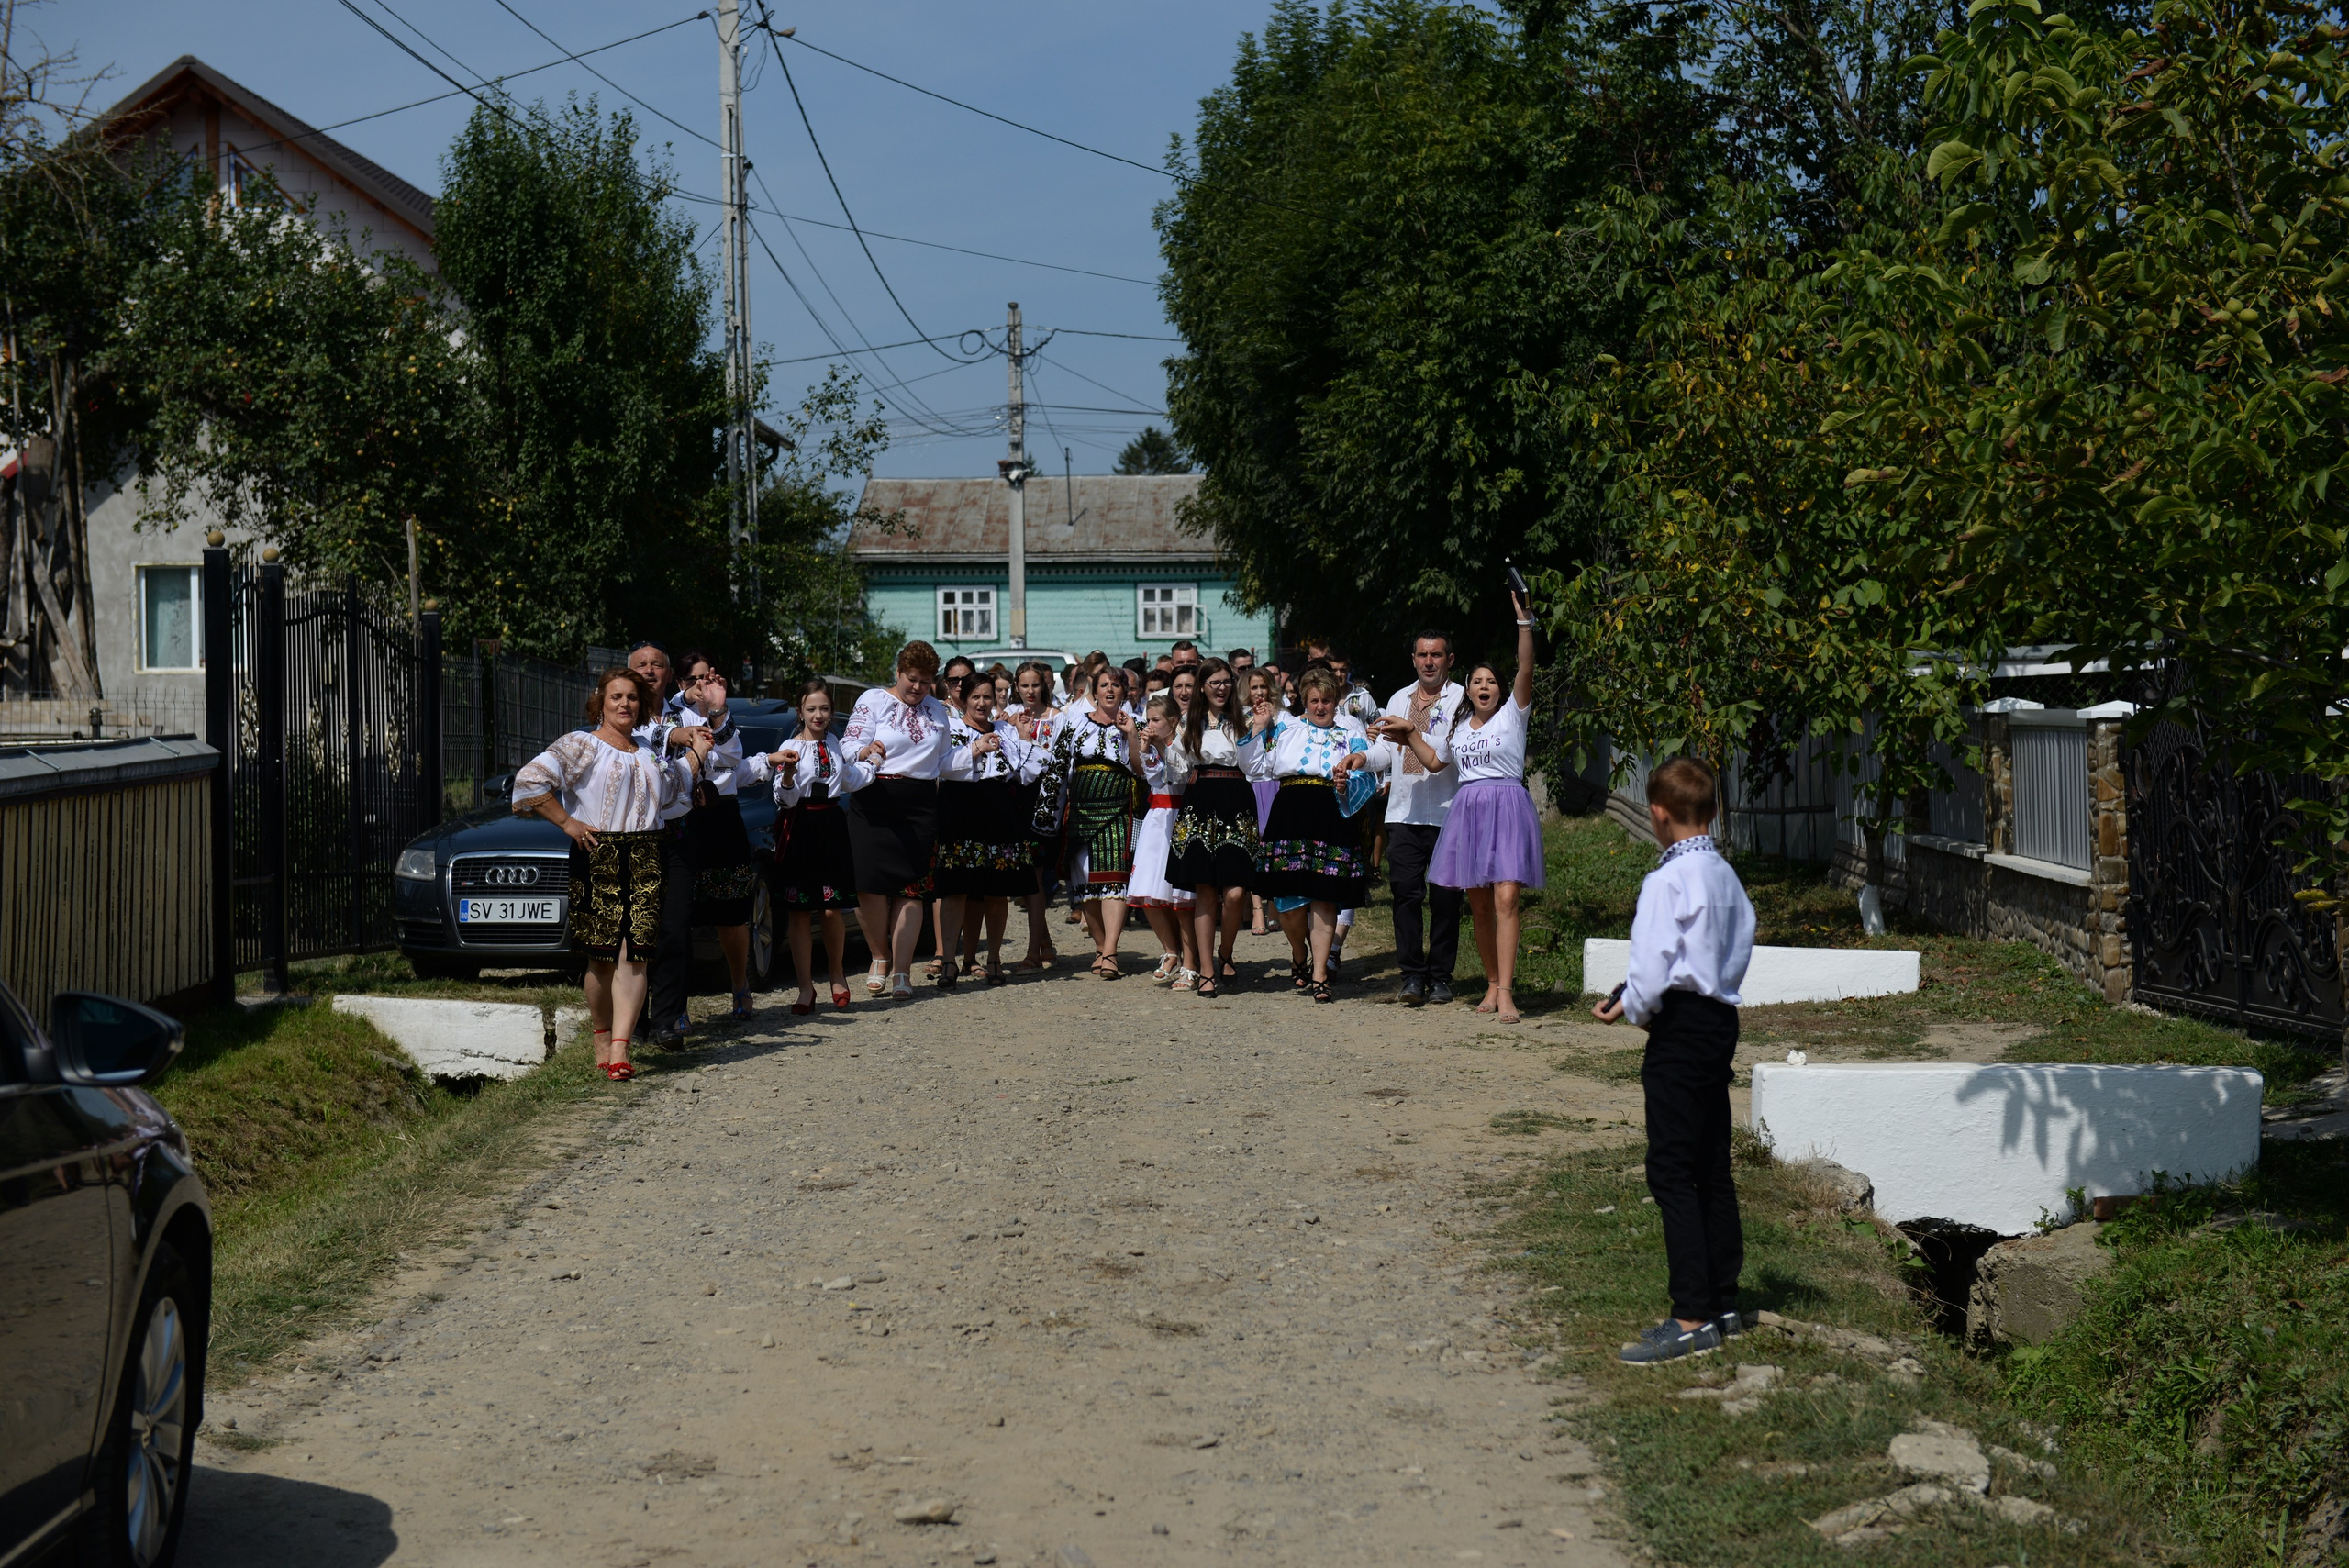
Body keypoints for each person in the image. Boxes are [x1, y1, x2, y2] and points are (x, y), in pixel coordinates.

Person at [1593, 756, 1756, 1364]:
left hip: (1680, 1026)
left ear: (1658, 814)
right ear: (1710, 811)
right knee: (1711, 1159)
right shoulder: (1724, 874)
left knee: (1671, 1168)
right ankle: (1722, 1298)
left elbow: (1655, 962)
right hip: (1719, 1018)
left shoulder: (1666, 881)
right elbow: (1735, 944)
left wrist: (1632, 1005)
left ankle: (1689, 1314)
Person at [513, 669, 708, 1080]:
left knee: (636, 953)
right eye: (617, 696)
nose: (625, 704)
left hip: (646, 855)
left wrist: (698, 754)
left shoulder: (648, 751)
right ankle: (602, 1034)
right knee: (601, 959)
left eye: (632, 698)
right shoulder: (580, 744)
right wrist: (567, 822)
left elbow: (674, 788)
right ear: (600, 700)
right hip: (597, 852)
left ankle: (620, 1049)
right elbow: (530, 781)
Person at [1427, 591, 1545, 1022]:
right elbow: (1436, 762)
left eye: (1491, 681)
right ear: (1468, 689)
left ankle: (1509, 991)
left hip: (1508, 808)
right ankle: (1492, 983)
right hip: (1469, 814)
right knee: (1477, 905)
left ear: (1500, 688)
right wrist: (1408, 735)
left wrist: (1523, 623)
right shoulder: (1457, 727)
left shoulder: (1513, 714)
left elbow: (1526, 666)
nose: (1484, 686)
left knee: (1506, 898)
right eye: (1477, 681)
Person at [1252, 665, 1375, 1002]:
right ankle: (1298, 952)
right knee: (1289, 903)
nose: (1321, 707)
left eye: (1327, 700)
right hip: (1291, 811)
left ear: (1336, 701)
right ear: (1304, 701)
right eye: (1314, 700)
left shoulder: (1350, 732)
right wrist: (1259, 729)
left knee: (1325, 895)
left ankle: (1320, 972)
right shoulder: (1287, 727)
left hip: (1332, 813)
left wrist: (1345, 783)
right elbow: (1254, 768)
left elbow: (1369, 773)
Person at [841, 641, 955, 1000]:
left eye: (925, 681)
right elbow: (846, 744)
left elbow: (946, 761)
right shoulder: (872, 700)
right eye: (911, 679)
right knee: (869, 886)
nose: (917, 687)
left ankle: (903, 971)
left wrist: (976, 753)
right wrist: (863, 751)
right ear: (898, 672)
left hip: (920, 805)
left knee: (912, 889)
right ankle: (879, 958)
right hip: (874, 799)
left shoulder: (938, 711)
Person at [763, 680, 873, 1015]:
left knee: (831, 907)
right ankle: (805, 988)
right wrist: (787, 776)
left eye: (824, 708)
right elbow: (783, 798)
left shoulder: (836, 743)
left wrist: (872, 762)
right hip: (800, 826)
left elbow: (849, 779)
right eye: (811, 709)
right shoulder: (789, 745)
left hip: (831, 826)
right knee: (799, 912)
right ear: (800, 711)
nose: (819, 715)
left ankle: (837, 974)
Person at [1369, 631, 1465, 1006]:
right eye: (1423, 655)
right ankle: (1411, 976)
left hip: (1446, 812)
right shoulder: (1398, 698)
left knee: (1445, 898)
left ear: (1449, 659)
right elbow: (1384, 753)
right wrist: (1363, 758)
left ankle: (1440, 977)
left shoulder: (1461, 698)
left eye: (1436, 655)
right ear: (1413, 659)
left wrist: (1411, 731)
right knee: (1405, 895)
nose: (1429, 661)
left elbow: (1447, 751)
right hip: (1403, 813)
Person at [1031, 664, 1146, 978]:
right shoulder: (1073, 722)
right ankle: (1100, 946)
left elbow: (1141, 769)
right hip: (1082, 809)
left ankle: (1110, 951)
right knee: (1084, 879)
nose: (1110, 690)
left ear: (1124, 692)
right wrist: (1048, 814)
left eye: (1116, 685)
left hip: (1118, 808)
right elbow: (1057, 768)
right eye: (1104, 685)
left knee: (1114, 878)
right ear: (1093, 692)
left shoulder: (1136, 723)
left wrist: (1131, 734)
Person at [936, 671, 1045, 986]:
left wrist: (1024, 737)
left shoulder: (1005, 731)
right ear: (964, 699)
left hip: (998, 809)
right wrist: (976, 748)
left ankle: (994, 957)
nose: (982, 703)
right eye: (976, 697)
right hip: (959, 808)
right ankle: (948, 960)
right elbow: (941, 766)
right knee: (956, 889)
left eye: (987, 696)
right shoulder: (952, 728)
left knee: (996, 890)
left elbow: (1026, 775)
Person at [1165, 658, 1262, 998]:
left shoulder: (1246, 718)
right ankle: (1206, 970)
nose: (1220, 688)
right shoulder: (1189, 722)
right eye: (1213, 682)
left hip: (1236, 798)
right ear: (1202, 687)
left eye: (1225, 682)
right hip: (1202, 799)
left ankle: (1226, 951)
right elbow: (1176, 772)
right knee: (1205, 890)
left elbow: (1256, 764)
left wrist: (1259, 731)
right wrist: (1162, 748)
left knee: (1236, 892)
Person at [671, 651, 760, 1021]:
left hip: (721, 818)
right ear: (681, 684)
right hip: (683, 818)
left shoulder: (722, 714)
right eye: (697, 679)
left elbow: (733, 755)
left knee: (731, 914)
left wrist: (717, 710)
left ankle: (740, 985)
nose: (705, 685)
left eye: (710, 677)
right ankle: (677, 1004)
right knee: (679, 915)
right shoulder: (670, 714)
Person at [628, 640, 703, 1048]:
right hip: (636, 835)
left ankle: (667, 1020)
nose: (650, 670)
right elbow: (653, 741)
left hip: (677, 834)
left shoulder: (685, 712)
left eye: (657, 664)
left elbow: (721, 750)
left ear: (668, 673)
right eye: (642, 664)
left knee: (674, 928)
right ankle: (633, 1023)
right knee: (638, 929)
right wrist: (680, 736)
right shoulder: (624, 712)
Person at [1124, 694, 1200, 986]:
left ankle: (1190, 961)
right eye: (1148, 720)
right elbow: (1154, 778)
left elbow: (1179, 774)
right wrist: (1146, 747)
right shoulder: (1154, 746)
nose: (1151, 725)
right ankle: (1170, 950)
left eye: (1156, 720)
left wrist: (1159, 746)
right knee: (1149, 893)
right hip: (1157, 819)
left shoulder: (1185, 742)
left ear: (1173, 720)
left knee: (1181, 898)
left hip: (1179, 816)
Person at [1005, 660, 1064, 971]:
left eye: (1035, 685)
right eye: (1025, 685)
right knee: (1026, 878)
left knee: (1035, 878)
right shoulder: (1008, 719)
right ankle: (1044, 941)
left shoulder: (1058, 718)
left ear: (1045, 686)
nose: (1030, 691)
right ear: (1017, 687)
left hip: (1044, 801)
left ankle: (1033, 953)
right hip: (1016, 800)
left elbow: (1057, 764)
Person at [1241, 666, 1282, 936]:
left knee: (1275, 847)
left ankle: (1275, 906)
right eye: (1253, 688)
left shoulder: (1284, 718)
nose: (1258, 693)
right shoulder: (1242, 719)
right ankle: (1257, 909)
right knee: (1254, 847)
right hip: (1251, 786)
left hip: (1276, 785)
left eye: (1263, 687)